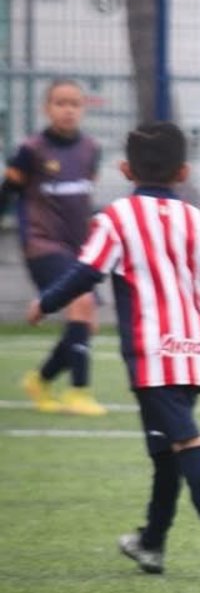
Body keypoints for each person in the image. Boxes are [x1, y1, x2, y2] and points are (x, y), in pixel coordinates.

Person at [27, 121, 200, 577]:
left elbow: (87, 273)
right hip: (192, 349)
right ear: (184, 171)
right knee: (164, 449)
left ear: (125, 169)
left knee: (185, 441)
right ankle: (152, 543)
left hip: (151, 354)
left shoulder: (116, 219)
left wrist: (46, 302)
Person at [1, 79, 106, 416]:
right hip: (42, 244)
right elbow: (8, 192)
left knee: (85, 322)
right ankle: (79, 392)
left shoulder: (91, 149)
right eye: (60, 103)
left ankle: (41, 380)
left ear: (83, 108)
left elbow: (83, 199)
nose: (68, 109)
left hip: (79, 248)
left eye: (75, 103)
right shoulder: (31, 151)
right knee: (82, 302)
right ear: (47, 108)